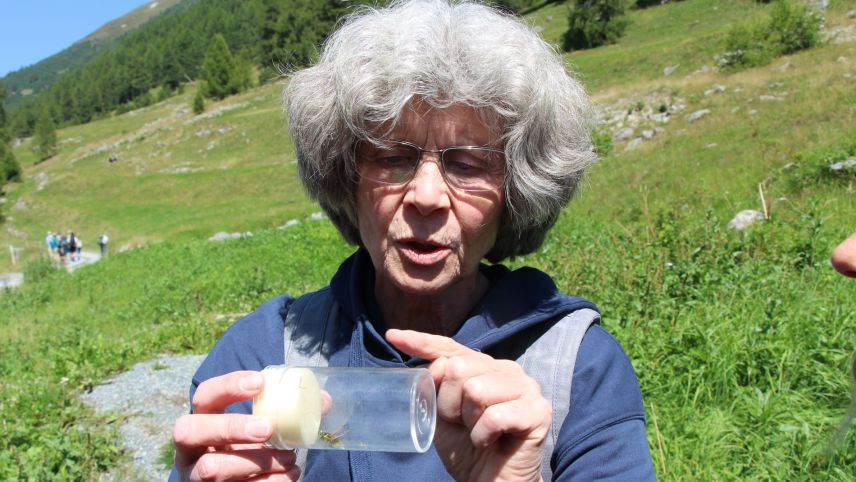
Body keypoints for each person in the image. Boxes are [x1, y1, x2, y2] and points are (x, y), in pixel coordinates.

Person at [170, 1, 655, 481]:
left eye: (467, 164)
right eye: (390, 157)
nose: (426, 196)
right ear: (346, 177)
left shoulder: (577, 369)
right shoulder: (261, 355)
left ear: (516, 192)